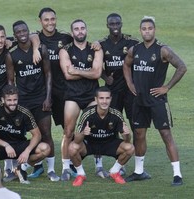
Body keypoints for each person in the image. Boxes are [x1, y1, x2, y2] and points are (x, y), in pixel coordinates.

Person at [123, 16, 186, 186]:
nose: (147, 31)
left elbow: (182, 67)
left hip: (157, 101)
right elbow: (126, 65)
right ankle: (138, 171)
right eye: (144, 29)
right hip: (139, 100)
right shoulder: (134, 49)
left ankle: (177, 175)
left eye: (150, 28)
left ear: (154, 30)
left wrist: (167, 87)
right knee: (139, 134)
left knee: (166, 135)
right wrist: (129, 83)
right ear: (140, 30)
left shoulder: (162, 50)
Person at [5, 20, 57, 182]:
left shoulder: (41, 49)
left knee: (46, 134)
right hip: (23, 101)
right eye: (18, 32)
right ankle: (19, 168)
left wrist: (48, 98)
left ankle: (52, 170)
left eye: (24, 31)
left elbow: (48, 75)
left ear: (29, 32)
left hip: (41, 98)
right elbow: (11, 81)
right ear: (14, 35)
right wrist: (13, 102)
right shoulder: (11, 54)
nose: (22, 34)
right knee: (21, 135)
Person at [95, 13, 139, 178]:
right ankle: (106, 164)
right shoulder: (101, 44)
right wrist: (106, 78)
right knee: (108, 127)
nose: (115, 26)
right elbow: (95, 66)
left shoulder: (132, 43)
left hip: (130, 92)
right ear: (107, 25)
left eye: (117, 23)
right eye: (111, 23)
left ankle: (134, 164)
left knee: (135, 127)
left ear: (121, 24)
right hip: (111, 94)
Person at [58, 19, 103, 181]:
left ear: (86, 30)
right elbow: (67, 75)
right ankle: (65, 168)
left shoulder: (96, 49)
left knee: (96, 130)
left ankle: (99, 166)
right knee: (68, 131)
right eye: (76, 29)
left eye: (82, 28)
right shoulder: (65, 51)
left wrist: (76, 70)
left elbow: (97, 74)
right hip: (73, 96)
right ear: (72, 33)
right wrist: (87, 72)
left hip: (92, 96)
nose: (80, 31)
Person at [0, 85, 51, 184]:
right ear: (3, 100)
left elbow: (37, 135)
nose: (12, 103)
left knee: (45, 148)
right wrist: (6, 145)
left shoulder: (24, 111)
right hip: (2, 146)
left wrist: (27, 151)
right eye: (9, 100)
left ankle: (19, 169)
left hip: (19, 145)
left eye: (15, 100)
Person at [35, 7, 73, 181]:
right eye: (46, 20)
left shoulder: (65, 38)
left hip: (64, 91)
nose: (50, 22)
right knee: (42, 131)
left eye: (53, 19)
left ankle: (70, 162)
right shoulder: (35, 39)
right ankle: (39, 166)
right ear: (40, 22)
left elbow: (82, 45)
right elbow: (11, 40)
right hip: (42, 94)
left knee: (68, 129)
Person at [68, 86, 135, 186]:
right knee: (72, 147)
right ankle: (81, 174)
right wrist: (83, 133)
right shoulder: (87, 113)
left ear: (111, 99)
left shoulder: (116, 114)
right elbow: (77, 140)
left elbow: (127, 140)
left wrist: (127, 134)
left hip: (109, 144)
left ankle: (115, 172)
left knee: (130, 148)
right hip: (90, 144)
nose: (104, 101)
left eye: (107, 98)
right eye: (101, 98)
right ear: (96, 99)